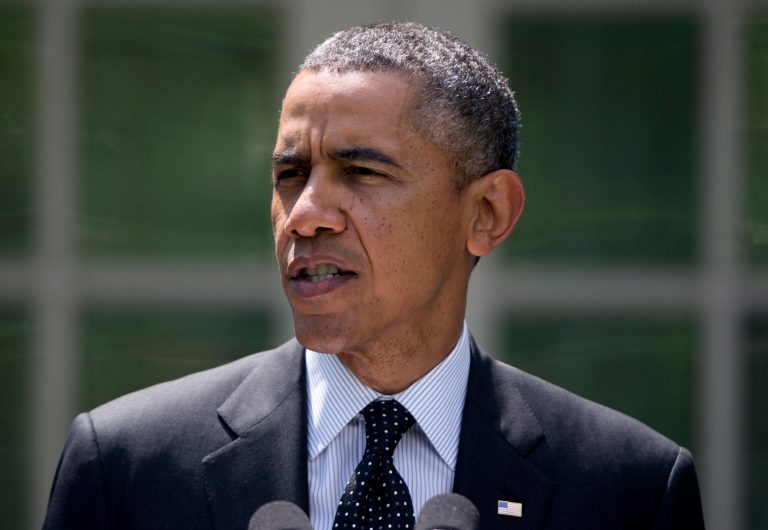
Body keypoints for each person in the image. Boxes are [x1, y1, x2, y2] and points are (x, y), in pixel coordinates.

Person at [42, 22, 705, 529]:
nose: (304, 216)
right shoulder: (126, 466)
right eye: (290, 175)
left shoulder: (631, 487)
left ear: (486, 213)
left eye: (361, 173)